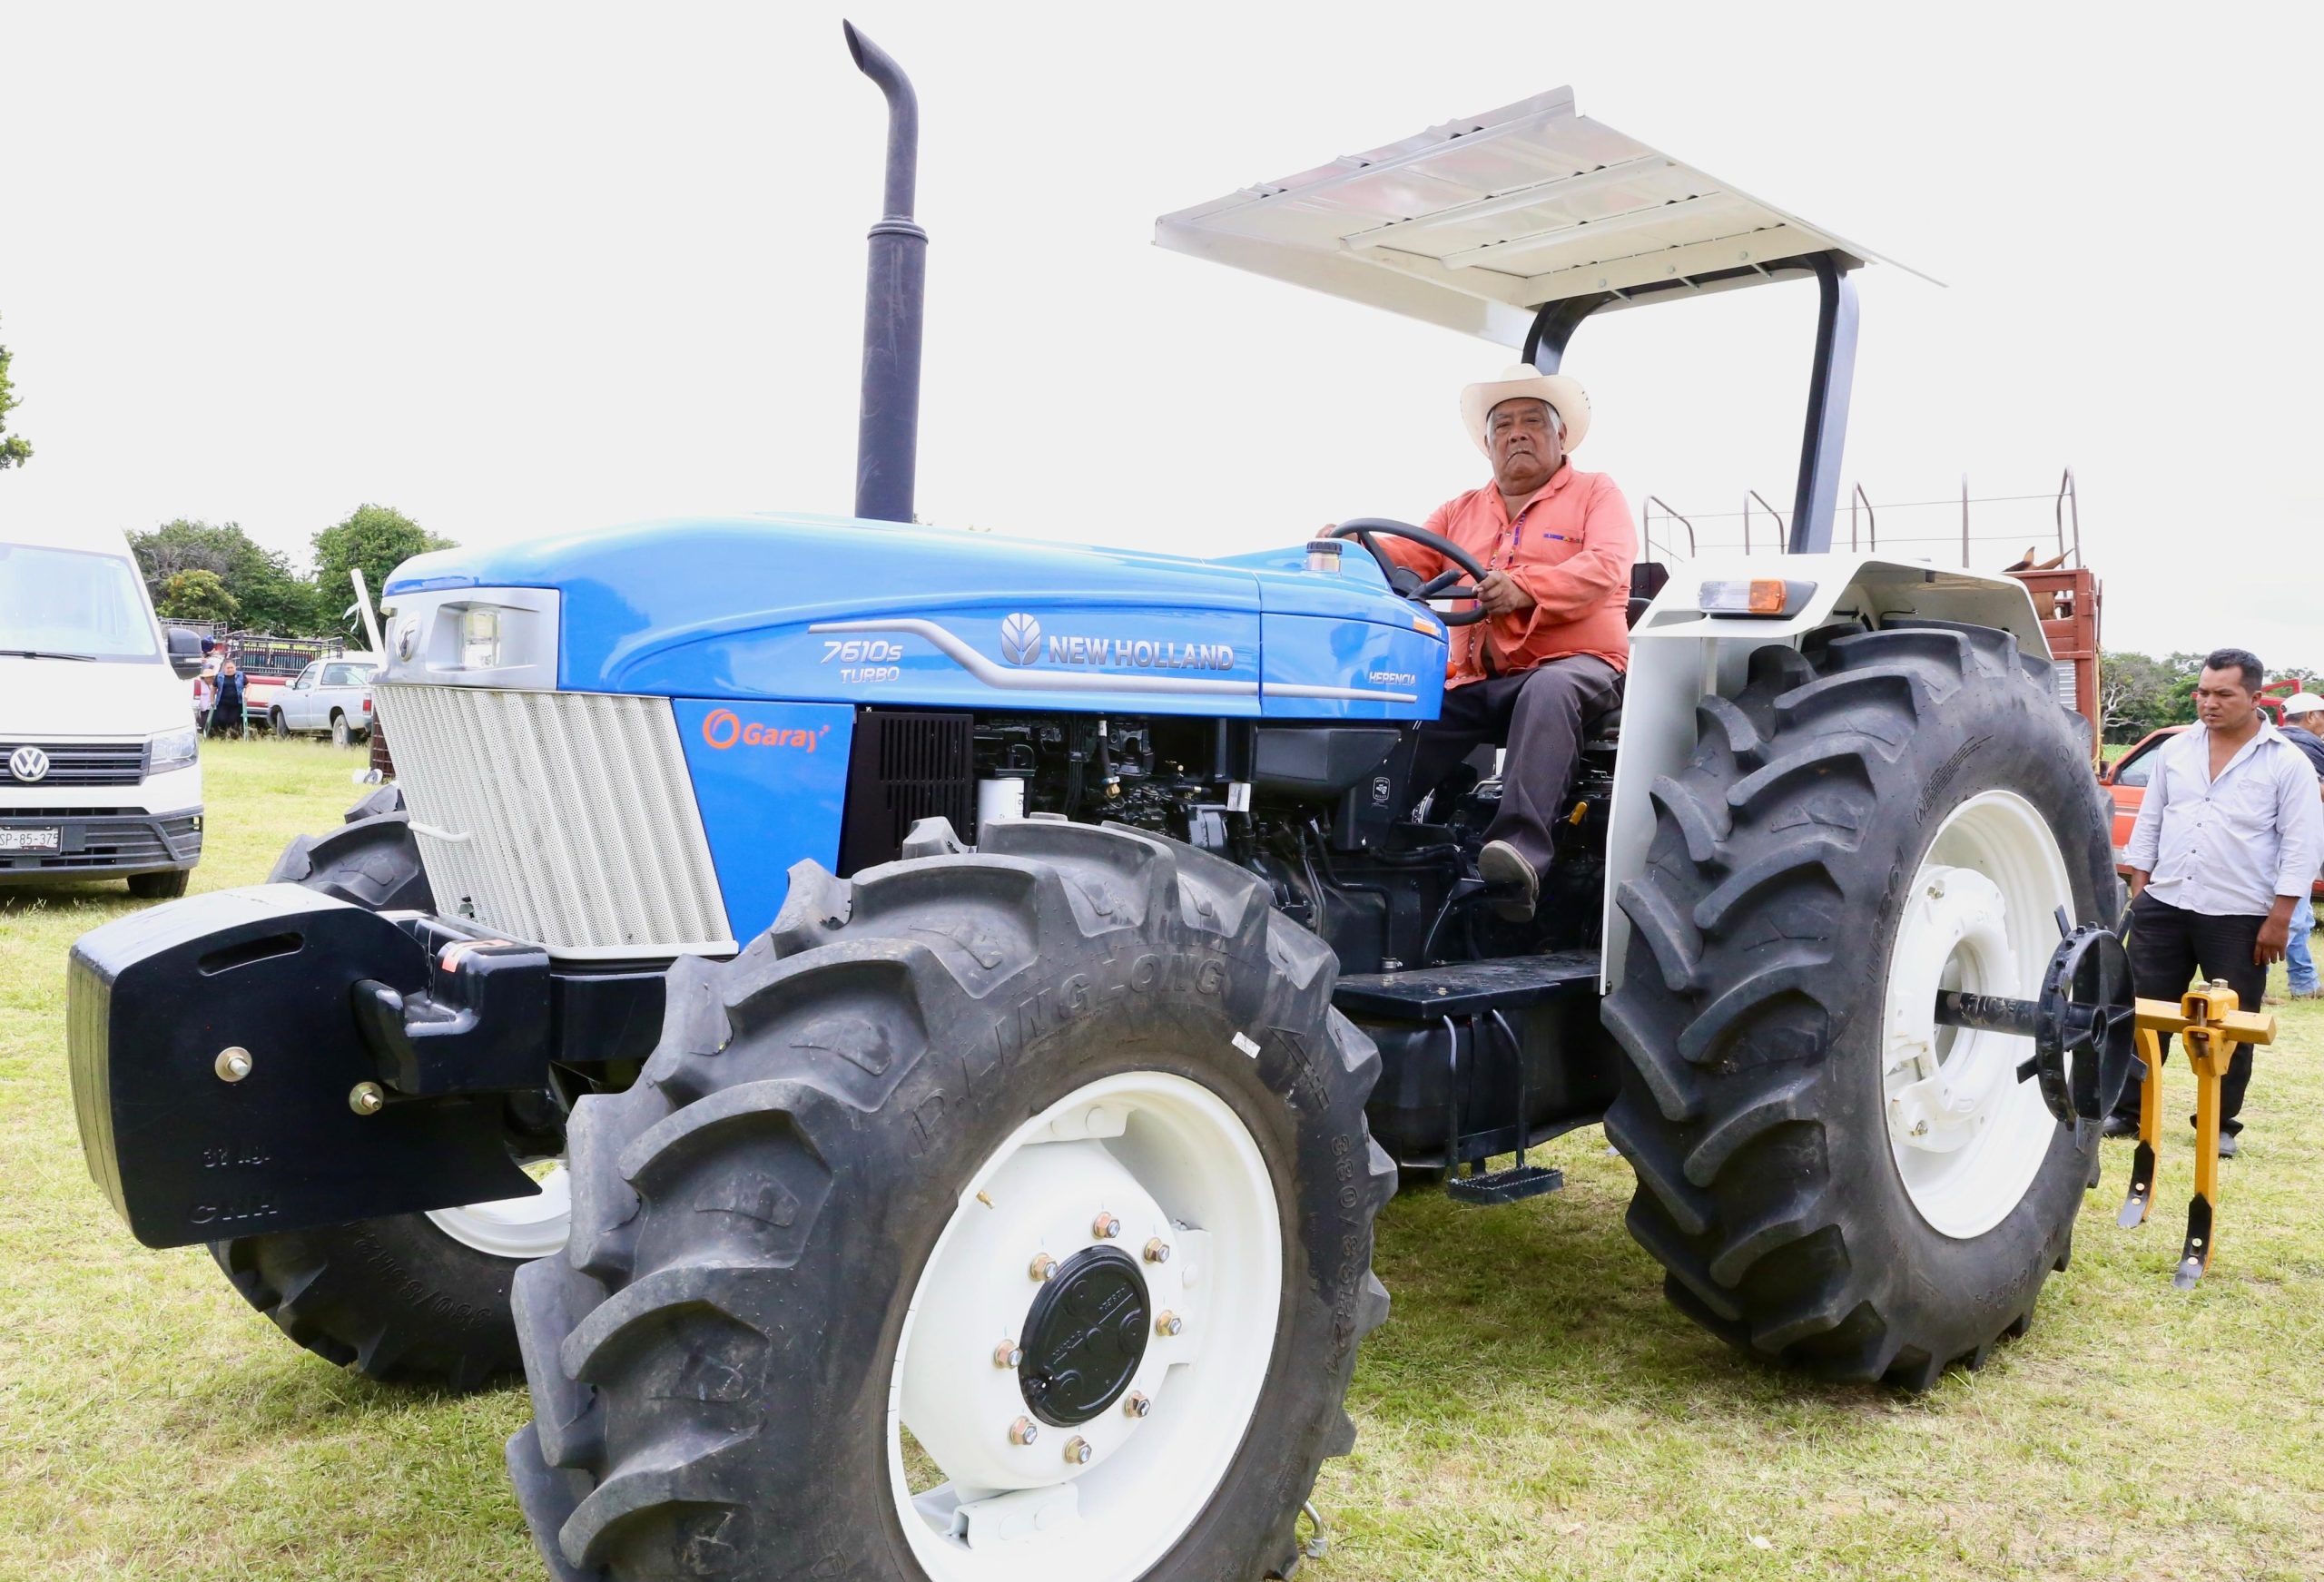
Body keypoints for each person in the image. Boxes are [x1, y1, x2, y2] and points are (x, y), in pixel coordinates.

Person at [1370, 364, 1635, 920]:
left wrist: (1525, 588)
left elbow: (1605, 565)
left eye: (1533, 422)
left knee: (1549, 691)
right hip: (1481, 678)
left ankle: (1517, 856)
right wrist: (1348, 546)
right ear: (1488, 445)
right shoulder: (1458, 511)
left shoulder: (1596, 492)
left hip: (1577, 666)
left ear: (1561, 436)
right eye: (1503, 426)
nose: (1517, 434)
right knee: (1412, 703)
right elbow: (1408, 557)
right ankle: (1364, 836)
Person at [2107, 651, 2324, 1155]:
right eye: (2203, 693)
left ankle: (2219, 1123)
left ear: (2255, 697)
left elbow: (2302, 845)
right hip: (2165, 903)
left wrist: (2280, 918)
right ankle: (2129, 1110)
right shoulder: (2176, 750)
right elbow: (2151, 821)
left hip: (2240, 913)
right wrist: (2141, 890)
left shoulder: (2285, 761)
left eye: (2223, 694)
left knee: (2231, 1023)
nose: (2209, 703)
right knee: (2142, 1014)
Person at [2275, 692, 2324, 997]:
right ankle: (2252, 981)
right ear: (2310, 716)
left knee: (2301, 916)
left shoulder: (2277, 743)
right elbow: (2313, 791)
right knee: (2293, 916)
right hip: (2295, 842)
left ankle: (2304, 982)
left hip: (2285, 841)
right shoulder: (2303, 747)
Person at [205, 657, 245, 739]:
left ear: (235, 667)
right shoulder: (219, 676)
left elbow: (248, 685)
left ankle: (230, 736)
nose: (230, 669)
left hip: (236, 703)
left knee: (232, 720)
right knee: (221, 719)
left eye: (232, 667)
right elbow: (213, 689)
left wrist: (247, 695)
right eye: (228, 668)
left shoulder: (241, 675)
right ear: (224, 668)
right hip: (222, 702)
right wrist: (212, 700)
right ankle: (222, 734)